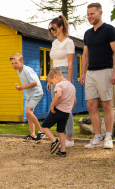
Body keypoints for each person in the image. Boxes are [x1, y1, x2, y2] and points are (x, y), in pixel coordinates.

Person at [80, 3, 115, 149]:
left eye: (92, 14)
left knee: (106, 105)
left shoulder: (109, 30)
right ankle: (97, 137)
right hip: (90, 73)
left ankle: (108, 136)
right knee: (91, 105)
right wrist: (82, 73)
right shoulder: (87, 33)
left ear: (100, 13)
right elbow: (85, 55)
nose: (89, 17)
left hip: (106, 71)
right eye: (88, 14)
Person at [47, 15, 75, 148]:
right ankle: (62, 138)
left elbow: (71, 63)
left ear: (61, 27)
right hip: (55, 74)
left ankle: (69, 137)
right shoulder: (54, 43)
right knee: (57, 107)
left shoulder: (69, 42)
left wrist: (68, 82)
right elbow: (53, 62)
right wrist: (49, 79)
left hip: (64, 73)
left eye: (54, 28)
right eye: (50, 28)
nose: (52, 31)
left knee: (65, 107)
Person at [10, 53, 46, 142]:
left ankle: (41, 132)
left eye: (16, 63)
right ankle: (33, 135)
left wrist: (22, 88)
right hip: (29, 94)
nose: (14, 65)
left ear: (22, 62)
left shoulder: (27, 70)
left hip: (36, 93)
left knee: (28, 112)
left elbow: (34, 83)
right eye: (12, 63)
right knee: (29, 114)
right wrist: (21, 87)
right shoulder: (19, 70)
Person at [42, 69, 76, 157]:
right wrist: (70, 109)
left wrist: (52, 105)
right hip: (66, 113)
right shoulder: (71, 86)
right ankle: (63, 150)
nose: (53, 85)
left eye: (52, 82)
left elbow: (59, 94)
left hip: (57, 111)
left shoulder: (59, 84)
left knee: (45, 126)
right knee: (61, 131)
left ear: (55, 77)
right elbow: (74, 100)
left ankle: (54, 141)